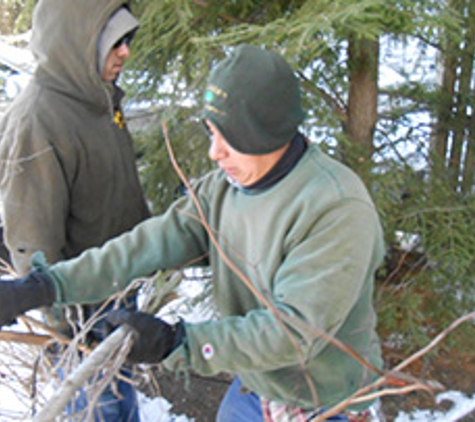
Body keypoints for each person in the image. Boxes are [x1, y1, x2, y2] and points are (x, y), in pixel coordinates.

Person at [0, 44, 386, 421]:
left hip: (325, 402)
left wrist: (177, 343)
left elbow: (293, 333)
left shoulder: (335, 208)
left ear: (265, 131)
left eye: (228, 137)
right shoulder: (224, 189)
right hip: (256, 383)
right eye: (210, 133)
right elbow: (146, 247)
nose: (214, 153)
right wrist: (43, 287)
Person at [0, 1, 150, 420]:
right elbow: (33, 242)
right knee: (99, 409)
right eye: (114, 42)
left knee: (120, 399)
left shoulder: (96, 99)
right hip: (83, 311)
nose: (126, 52)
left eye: (127, 39)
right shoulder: (40, 120)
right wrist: (65, 329)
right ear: (78, 43)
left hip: (119, 291)